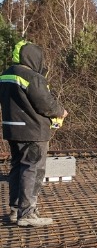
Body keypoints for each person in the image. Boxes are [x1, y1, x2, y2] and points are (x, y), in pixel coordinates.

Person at [0, 40, 68, 226]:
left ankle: (16, 210)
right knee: (32, 169)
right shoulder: (32, 77)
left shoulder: (6, 75)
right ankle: (28, 214)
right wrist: (60, 111)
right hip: (33, 132)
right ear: (33, 57)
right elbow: (45, 103)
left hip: (12, 129)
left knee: (18, 167)